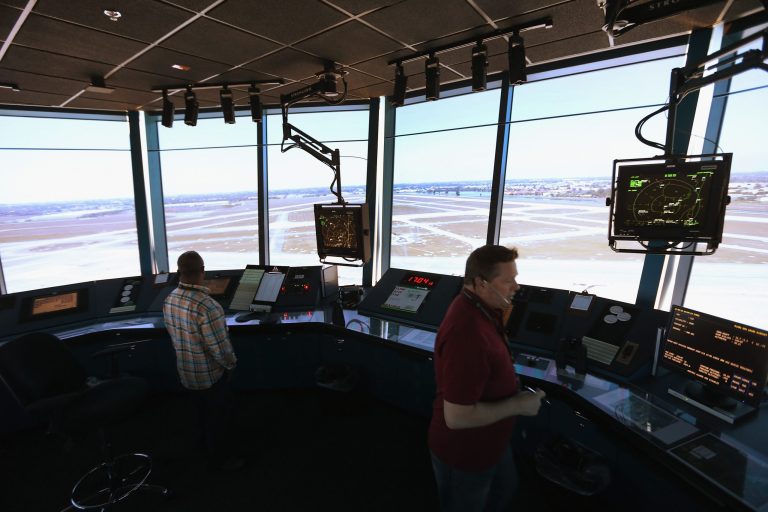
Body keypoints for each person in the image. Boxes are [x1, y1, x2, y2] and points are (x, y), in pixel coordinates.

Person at [428, 245, 546, 512]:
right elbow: (456, 417)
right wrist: (519, 405)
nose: (516, 286)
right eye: (507, 281)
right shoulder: (467, 334)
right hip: (465, 453)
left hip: (491, 441)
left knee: (505, 489)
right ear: (481, 283)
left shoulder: (477, 305)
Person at [163, 250, 243, 472]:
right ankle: (221, 460)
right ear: (203, 271)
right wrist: (231, 366)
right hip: (210, 376)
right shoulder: (207, 307)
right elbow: (220, 349)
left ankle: (200, 447)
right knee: (219, 418)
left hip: (186, 372)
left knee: (199, 412)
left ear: (179, 272)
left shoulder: (170, 300)